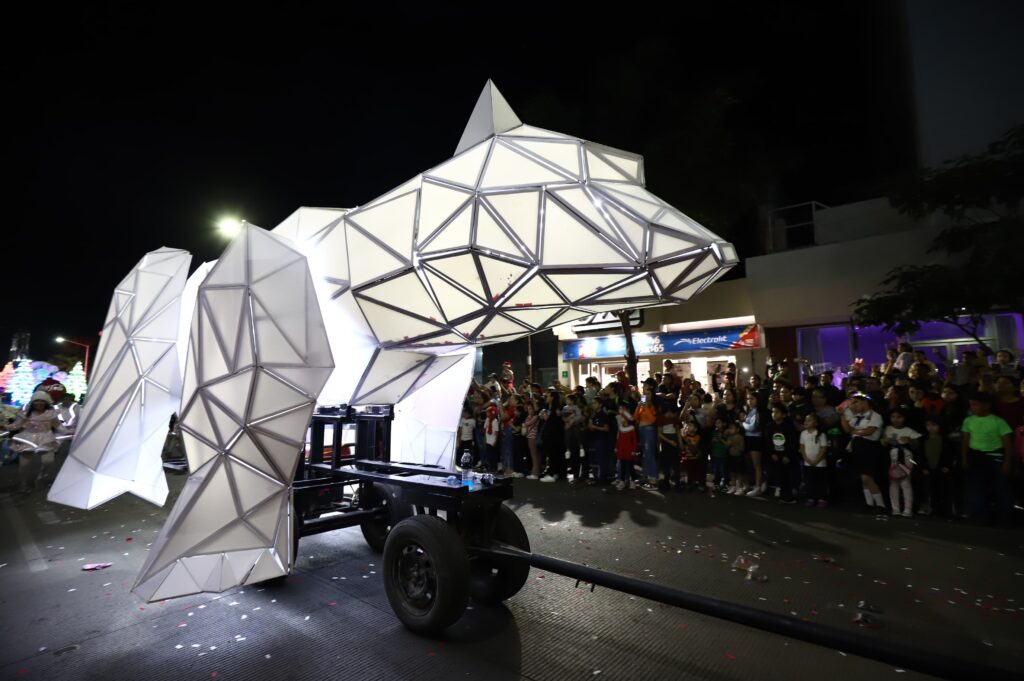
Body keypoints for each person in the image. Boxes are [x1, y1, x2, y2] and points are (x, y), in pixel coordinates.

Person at [961, 392, 1014, 524]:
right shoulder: (968, 421)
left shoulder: (998, 421)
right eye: (971, 405)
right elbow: (965, 443)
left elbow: (1008, 445)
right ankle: (978, 515)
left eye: (975, 405)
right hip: (976, 457)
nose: (972, 408)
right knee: (975, 487)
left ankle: (1004, 516)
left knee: (1000, 487)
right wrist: (965, 459)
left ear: (986, 405)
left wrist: (1007, 463)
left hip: (994, 457)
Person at [1, 391, 70, 491]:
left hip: (46, 438)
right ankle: (23, 482)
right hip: (27, 438)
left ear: (46, 402)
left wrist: (69, 431)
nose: (39, 403)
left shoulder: (50, 414)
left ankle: (40, 478)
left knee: (48, 461)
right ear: (32, 402)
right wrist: (5, 427)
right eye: (37, 401)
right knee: (24, 464)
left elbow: (59, 426)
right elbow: (16, 426)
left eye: (42, 401)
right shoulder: (25, 414)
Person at [841, 394, 886, 513]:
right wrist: (842, 416)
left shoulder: (875, 416)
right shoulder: (857, 417)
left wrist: (855, 432)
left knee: (868, 477)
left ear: (865, 402)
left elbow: (870, 431)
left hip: (870, 448)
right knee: (862, 477)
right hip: (857, 448)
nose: (853, 405)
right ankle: (869, 504)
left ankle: (880, 505)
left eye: (856, 402)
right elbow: (847, 430)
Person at [883, 408, 921, 517]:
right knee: (893, 482)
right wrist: (886, 441)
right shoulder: (888, 429)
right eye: (893, 417)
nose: (896, 420)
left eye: (899, 417)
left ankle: (908, 509)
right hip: (892, 457)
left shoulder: (909, 431)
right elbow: (884, 442)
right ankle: (895, 509)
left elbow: (917, 446)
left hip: (906, 457)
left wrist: (910, 440)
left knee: (905, 482)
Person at [919, 417, 956, 517]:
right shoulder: (924, 439)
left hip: (942, 468)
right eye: (928, 425)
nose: (931, 428)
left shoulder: (945, 440)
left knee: (944, 490)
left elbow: (950, 454)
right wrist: (923, 467)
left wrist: (948, 466)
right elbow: (921, 455)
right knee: (932, 490)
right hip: (929, 468)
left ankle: (946, 510)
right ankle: (935, 510)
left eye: (934, 425)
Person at [764, 404, 799, 503]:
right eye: (773, 412)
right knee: (779, 474)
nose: (774, 414)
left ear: (783, 415)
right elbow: (767, 441)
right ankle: (782, 495)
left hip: (786, 455)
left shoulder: (788, 426)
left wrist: (787, 455)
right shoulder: (769, 426)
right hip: (775, 454)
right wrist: (772, 453)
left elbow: (792, 442)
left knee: (788, 475)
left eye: (777, 412)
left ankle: (789, 496)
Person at [800, 413, 829, 507]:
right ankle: (811, 497)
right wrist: (805, 458)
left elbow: (823, 448)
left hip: (820, 463)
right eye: (805, 420)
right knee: (809, 480)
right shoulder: (803, 433)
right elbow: (802, 446)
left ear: (816, 423)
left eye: (809, 420)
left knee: (820, 481)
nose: (806, 422)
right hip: (807, 462)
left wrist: (817, 460)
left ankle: (822, 498)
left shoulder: (820, 434)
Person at [634, 386, 660, 488]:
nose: (646, 395)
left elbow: (652, 419)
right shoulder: (641, 405)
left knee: (649, 453)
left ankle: (653, 477)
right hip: (641, 429)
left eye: (648, 393)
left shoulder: (653, 406)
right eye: (644, 393)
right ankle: (646, 476)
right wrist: (638, 406)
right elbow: (635, 417)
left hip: (649, 429)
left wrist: (645, 407)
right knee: (645, 454)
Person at [741, 394, 766, 497]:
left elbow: (752, 427)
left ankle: (758, 487)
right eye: (748, 399)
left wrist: (742, 423)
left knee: (757, 464)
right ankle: (759, 482)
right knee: (750, 463)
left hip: (756, 439)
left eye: (752, 398)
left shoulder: (757, 412)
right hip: (748, 438)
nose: (749, 401)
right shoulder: (749, 411)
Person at [657, 403, 681, 491]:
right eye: (674, 413)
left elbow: (678, 430)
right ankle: (666, 483)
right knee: (666, 464)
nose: (675, 415)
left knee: (676, 464)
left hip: (674, 441)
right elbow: (659, 433)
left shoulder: (675, 419)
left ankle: (677, 484)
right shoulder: (661, 418)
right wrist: (669, 441)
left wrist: (680, 442)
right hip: (666, 442)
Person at [614, 402, 637, 489]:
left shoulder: (631, 430)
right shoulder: (621, 429)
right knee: (622, 466)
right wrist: (616, 447)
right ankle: (622, 481)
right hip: (622, 451)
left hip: (629, 451)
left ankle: (631, 481)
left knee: (629, 466)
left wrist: (634, 450)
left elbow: (634, 441)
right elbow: (618, 439)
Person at [709, 417, 729, 491]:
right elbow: (711, 442)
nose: (717, 424)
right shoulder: (714, 432)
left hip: (723, 454)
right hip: (715, 453)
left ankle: (725, 484)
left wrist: (720, 438)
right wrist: (713, 441)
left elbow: (727, 443)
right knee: (716, 469)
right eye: (716, 423)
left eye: (719, 422)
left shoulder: (726, 432)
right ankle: (716, 483)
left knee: (723, 469)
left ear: (724, 423)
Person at [523, 402, 541, 479]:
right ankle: (534, 471)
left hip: (533, 436)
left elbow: (527, 423)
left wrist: (525, 424)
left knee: (534, 455)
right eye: (528, 409)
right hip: (529, 436)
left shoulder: (536, 417)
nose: (528, 410)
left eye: (530, 409)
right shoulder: (529, 416)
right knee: (533, 455)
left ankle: (535, 472)